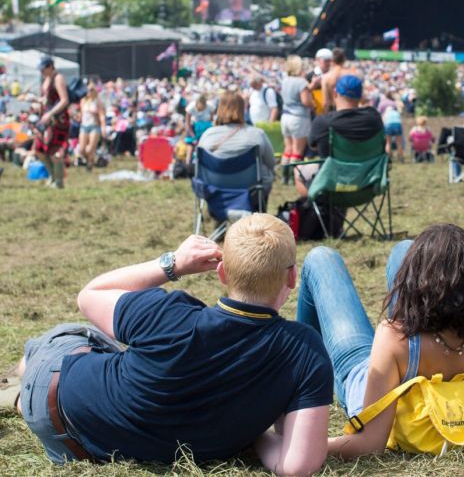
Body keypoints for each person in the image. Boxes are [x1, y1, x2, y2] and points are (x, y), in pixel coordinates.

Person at [11, 214, 332, 475]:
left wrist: (173, 263)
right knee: (90, 340)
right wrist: (258, 435)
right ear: (292, 278)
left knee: (77, 333)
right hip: (88, 444)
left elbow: (89, 296)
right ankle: (18, 384)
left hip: (59, 405)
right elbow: (297, 465)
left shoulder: (168, 314)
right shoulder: (304, 350)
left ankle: (20, 384)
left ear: (221, 273)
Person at [297, 223, 464, 460]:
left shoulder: (393, 337)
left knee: (321, 257)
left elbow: (370, 444)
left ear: (415, 287)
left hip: (375, 377)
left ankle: (297, 388)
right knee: (404, 247)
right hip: (407, 356)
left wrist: (304, 446)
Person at [295, 74, 383, 198]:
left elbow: (313, 146)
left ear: (335, 93)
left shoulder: (323, 122)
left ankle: (314, 209)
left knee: (298, 168)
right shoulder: (374, 118)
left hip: (331, 185)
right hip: (367, 185)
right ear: (360, 95)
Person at [198, 91, 276, 199]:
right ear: (242, 109)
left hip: (214, 187)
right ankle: (259, 208)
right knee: (266, 171)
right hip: (251, 189)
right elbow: (271, 163)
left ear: (219, 109)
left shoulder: (207, 135)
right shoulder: (257, 134)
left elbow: (199, 164)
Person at [35, 56, 70, 188]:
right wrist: (35, 101)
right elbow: (47, 99)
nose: (41, 72)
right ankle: (52, 176)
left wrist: (50, 113)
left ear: (50, 67)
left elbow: (64, 100)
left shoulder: (58, 78)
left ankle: (59, 181)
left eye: (43, 69)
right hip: (46, 118)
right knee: (39, 149)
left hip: (58, 120)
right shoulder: (46, 79)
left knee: (55, 151)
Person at [280, 55, 314, 182]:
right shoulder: (301, 82)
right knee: (297, 150)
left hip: (285, 116)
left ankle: (284, 177)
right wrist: (313, 104)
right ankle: (295, 178)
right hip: (298, 117)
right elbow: (306, 101)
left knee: (287, 148)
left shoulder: (285, 80)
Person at [76, 82, 106, 171]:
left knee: (90, 149)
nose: (89, 91)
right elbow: (81, 114)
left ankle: (89, 164)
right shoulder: (83, 101)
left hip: (94, 126)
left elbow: (101, 116)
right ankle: (91, 159)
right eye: (87, 90)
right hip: (84, 126)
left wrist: (103, 127)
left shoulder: (97, 101)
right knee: (81, 149)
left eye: (91, 90)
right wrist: (77, 117)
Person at [184, 94, 213, 165]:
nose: (201, 109)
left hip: (205, 128)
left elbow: (211, 120)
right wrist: (193, 136)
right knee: (190, 148)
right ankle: (188, 167)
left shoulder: (210, 107)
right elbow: (187, 123)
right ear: (196, 104)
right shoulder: (191, 107)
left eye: (203, 108)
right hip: (193, 127)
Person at [378, 89, 404, 162]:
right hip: (397, 123)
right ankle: (401, 157)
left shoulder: (382, 103)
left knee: (388, 142)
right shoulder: (393, 103)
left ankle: (388, 158)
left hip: (388, 123)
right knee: (399, 142)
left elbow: (379, 114)